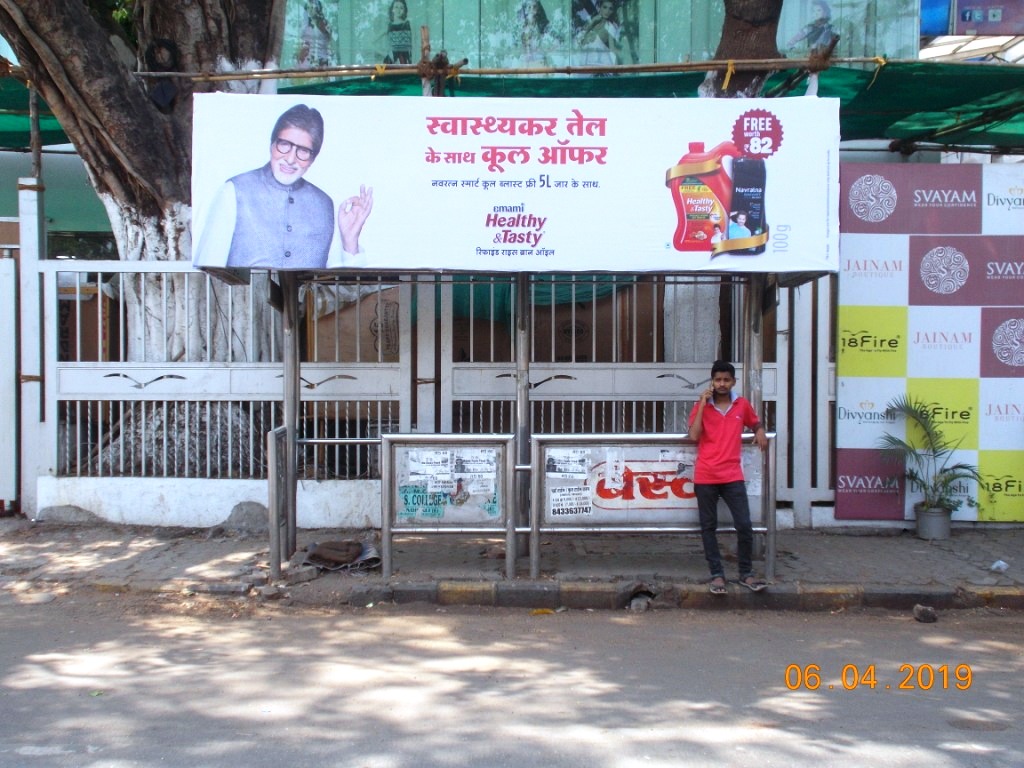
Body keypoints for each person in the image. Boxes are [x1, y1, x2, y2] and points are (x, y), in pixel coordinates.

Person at [194, 104, 374, 270]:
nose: (290, 159)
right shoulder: (233, 191)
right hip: (243, 304)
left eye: (303, 151)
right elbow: (208, 273)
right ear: (272, 145)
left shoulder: (325, 204)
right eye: (284, 145)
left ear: (312, 159)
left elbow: (342, 291)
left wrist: (350, 241)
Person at [687, 360, 769, 595]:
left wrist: (760, 430)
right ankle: (717, 575)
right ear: (711, 382)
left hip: (732, 474)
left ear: (733, 382)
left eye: (726, 380)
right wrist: (703, 403)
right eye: (717, 380)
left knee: (744, 525)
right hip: (705, 475)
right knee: (708, 527)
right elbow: (694, 435)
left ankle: (746, 573)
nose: (721, 384)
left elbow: (754, 421)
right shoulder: (701, 405)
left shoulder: (741, 405)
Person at [578, 0, 621, 67]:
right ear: (600, 8)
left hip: (597, 63)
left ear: (612, 12)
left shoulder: (610, 27)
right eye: (605, 7)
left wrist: (618, 69)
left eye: (610, 9)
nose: (607, 11)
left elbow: (612, 49)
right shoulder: (590, 21)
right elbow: (579, 40)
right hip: (582, 61)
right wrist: (593, 22)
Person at [384, 0, 412, 65]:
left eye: (401, 8)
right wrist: (385, 53)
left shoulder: (408, 24)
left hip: (406, 61)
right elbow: (372, 43)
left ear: (404, 10)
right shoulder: (389, 26)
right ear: (392, 9)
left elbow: (415, 44)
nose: (398, 10)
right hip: (391, 61)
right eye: (396, 7)